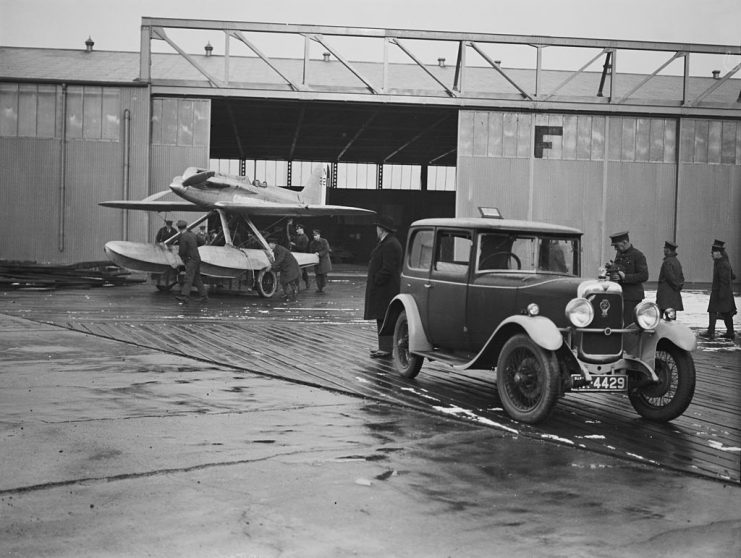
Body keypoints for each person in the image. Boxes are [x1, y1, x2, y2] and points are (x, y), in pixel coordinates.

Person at [364, 215, 403, 359]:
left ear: (382, 229)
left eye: (377, 227)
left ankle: (386, 349)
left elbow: (388, 268)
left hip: (386, 289)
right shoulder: (386, 242)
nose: (376, 230)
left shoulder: (390, 244)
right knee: (381, 318)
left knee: (385, 317)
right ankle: (383, 347)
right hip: (382, 288)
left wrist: (377, 279)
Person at [608, 231, 648, 326]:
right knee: (617, 323)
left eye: (616, 246)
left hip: (632, 297)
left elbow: (644, 276)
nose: (615, 248)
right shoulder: (619, 254)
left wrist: (625, 277)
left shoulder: (638, 255)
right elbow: (620, 269)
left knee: (629, 325)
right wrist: (612, 270)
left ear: (625, 242)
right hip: (620, 295)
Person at [702, 239, 737, 340]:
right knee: (726, 312)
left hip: (721, 291)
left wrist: (721, 294)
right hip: (723, 291)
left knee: (713, 310)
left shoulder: (722, 264)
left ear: (718, 253)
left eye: (712, 252)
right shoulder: (721, 261)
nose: (711, 254)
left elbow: (724, 280)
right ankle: (730, 332)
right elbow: (731, 276)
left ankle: (711, 331)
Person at [175, 220, 208, 304]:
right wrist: (193, 248)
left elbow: (182, 251)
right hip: (197, 258)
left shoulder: (183, 237)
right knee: (197, 278)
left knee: (188, 277)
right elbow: (202, 242)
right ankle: (204, 296)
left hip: (190, 259)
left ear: (179, 228)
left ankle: (184, 296)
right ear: (186, 227)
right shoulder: (192, 234)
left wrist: (182, 257)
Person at [267, 237, 300, 302]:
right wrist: (273, 265)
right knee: (283, 281)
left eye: (269, 244)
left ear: (273, 244)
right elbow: (279, 261)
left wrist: (271, 266)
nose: (269, 245)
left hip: (290, 267)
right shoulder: (277, 249)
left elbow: (280, 259)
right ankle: (288, 294)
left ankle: (292, 296)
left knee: (289, 281)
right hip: (285, 267)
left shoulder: (280, 249)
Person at [656, 240, 684, 314]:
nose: (663, 250)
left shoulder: (667, 262)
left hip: (665, 296)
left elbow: (670, 277)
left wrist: (676, 286)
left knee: (662, 320)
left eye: (664, 249)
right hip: (674, 295)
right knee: (672, 319)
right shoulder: (676, 261)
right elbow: (681, 277)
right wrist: (678, 287)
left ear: (668, 250)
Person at [309, 228, 332, 294]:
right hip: (317, 261)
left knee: (323, 274)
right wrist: (313, 255)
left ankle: (322, 286)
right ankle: (319, 288)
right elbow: (311, 251)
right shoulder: (312, 243)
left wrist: (319, 253)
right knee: (318, 274)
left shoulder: (324, 241)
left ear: (319, 235)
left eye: (316, 235)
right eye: (314, 235)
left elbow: (326, 249)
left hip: (324, 260)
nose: (315, 237)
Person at [290, 222, 311, 290]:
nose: (296, 231)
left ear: (301, 229)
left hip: (302, 256)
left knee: (303, 271)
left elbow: (303, 248)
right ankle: (298, 285)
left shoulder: (305, 237)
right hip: (297, 256)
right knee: (297, 271)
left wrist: (294, 245)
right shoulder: (297, 236)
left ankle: (306, 283)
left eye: (298, 229)